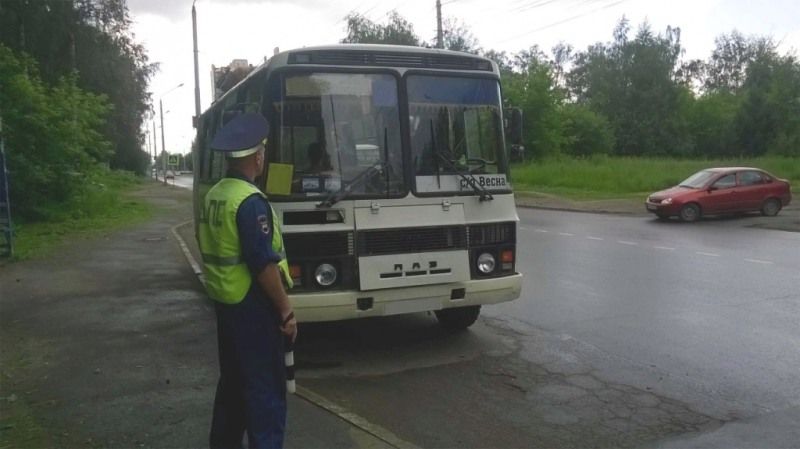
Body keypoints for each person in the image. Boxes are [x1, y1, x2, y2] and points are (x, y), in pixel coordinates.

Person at [197, 112, 297, 449]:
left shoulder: (215, 195)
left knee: (233, 388)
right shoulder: (250, 202)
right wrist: (285, 311)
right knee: (265, 393)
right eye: (263, 152)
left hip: (227, 305)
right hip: (254, 308)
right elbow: (262, 264)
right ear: (257, 156)